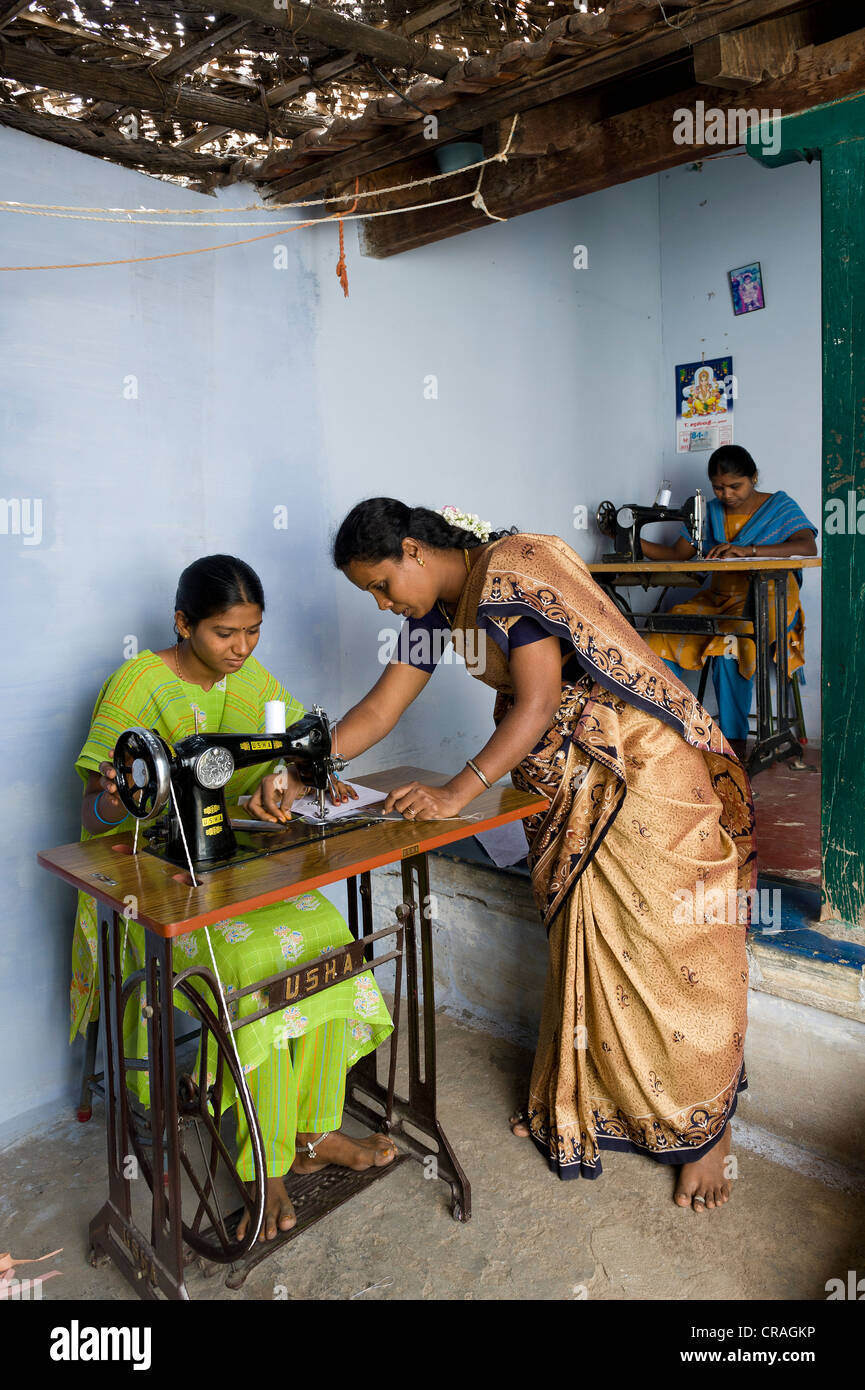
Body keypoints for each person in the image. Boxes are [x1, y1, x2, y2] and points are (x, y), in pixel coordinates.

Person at [256, 501, 756, 1213]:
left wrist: (457, 789)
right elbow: (381, 709)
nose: (381, 601)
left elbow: (539, 698)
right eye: (368, 593)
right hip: (571, 779)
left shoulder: (513, 573)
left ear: (413, 550)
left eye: (380, 584)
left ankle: (708, 1133)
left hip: (637, 769)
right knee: (594, 944)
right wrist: (306, 770)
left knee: (669, 946)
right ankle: (585, 1100)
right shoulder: (434, 618)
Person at [71, 555, 395, 1242]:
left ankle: (310, 1135)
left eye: (252, 632)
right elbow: (97, 817)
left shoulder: (245, 678)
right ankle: (265, 1164)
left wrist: (285, 774)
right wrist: (111, 797)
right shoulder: (137, 684)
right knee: (253, 973)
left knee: (328, 943)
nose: (241, 649)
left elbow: (295, 748)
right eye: (224, 633)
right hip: (158, 889)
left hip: (229, 870)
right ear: (183, 623)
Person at [641, 445, 818, 748]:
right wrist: (630, 538)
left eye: (736, 486)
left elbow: (807, 547)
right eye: (718, 487)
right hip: (719, 598)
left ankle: (735, 744)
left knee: (729, 649)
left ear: (754, 478)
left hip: (770, 599)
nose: (727, 494)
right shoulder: (709, 511)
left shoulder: (779, 506)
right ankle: (668, 731)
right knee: (656, 638)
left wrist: (749, 551)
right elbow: (675, 554)